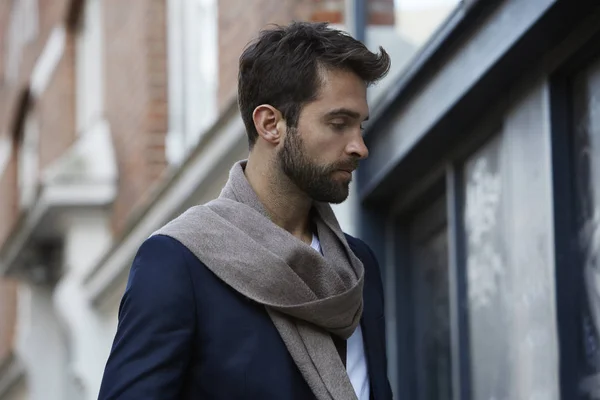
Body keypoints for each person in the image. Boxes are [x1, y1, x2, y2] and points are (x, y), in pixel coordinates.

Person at [98, 21, 392, 400]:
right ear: (271, 124)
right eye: (339, 124)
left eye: (360, 126)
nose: (359, 147)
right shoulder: (179, 263)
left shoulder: (358, 264)